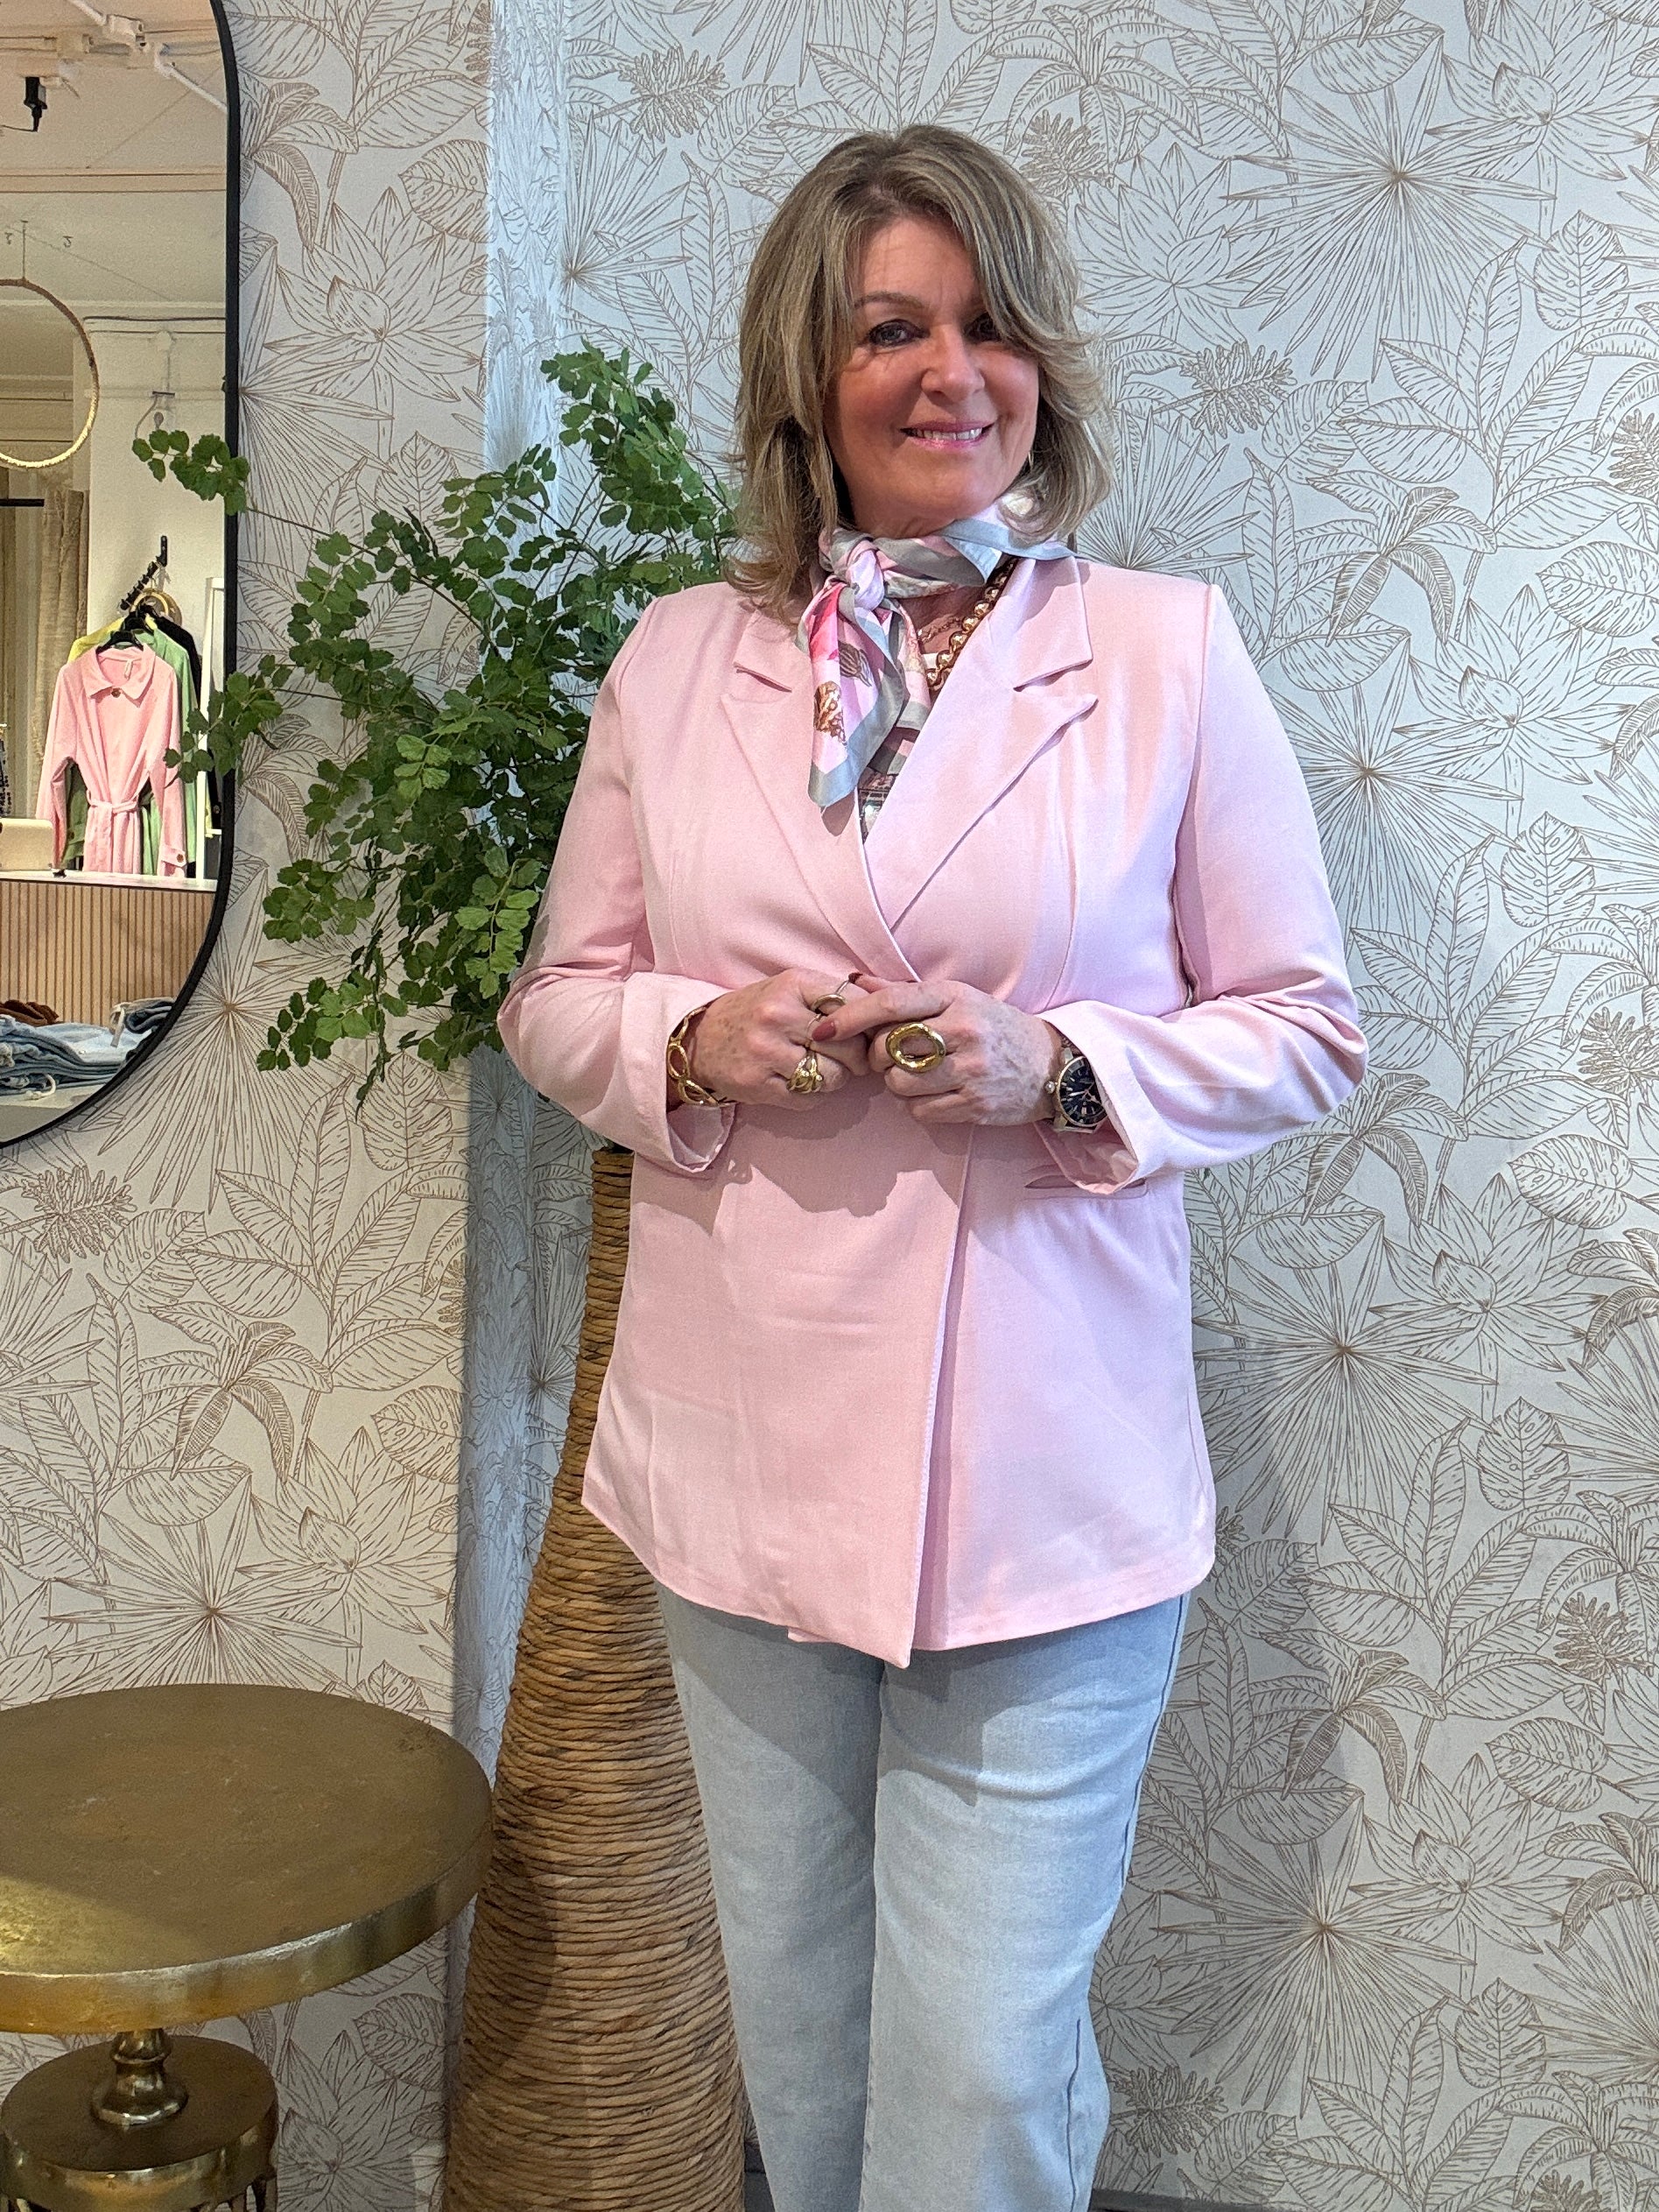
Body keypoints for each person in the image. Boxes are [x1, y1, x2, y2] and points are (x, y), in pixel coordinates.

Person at [499, 123, 1366, 2212]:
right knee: (802, 2049)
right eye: (892, 327)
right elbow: (557, 998)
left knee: (977, 2078)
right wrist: (687, 1039)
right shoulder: (677, 660)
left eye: (991, 326)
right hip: (744, 1453)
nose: (951, 372)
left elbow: (1307, 1025)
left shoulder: (1160, 652)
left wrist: (1059, 1065)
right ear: (809, 374)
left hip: (1041, 1477)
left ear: (1042, 363)